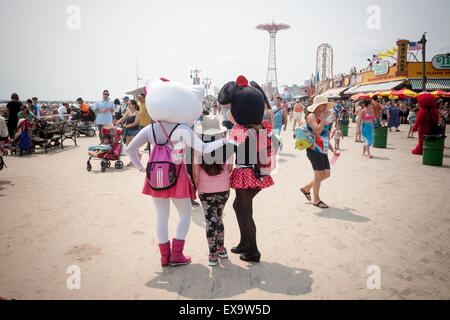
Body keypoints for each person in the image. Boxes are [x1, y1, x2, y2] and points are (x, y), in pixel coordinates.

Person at [126, 78, 235, 267]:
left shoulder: (149, 129)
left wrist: (142, 168)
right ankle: (177, 254)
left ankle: (164, 257)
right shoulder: (182, 129)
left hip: (155, 178)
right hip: (177, 177)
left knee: (161, 217)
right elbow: (203, 148)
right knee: (184, 215)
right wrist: (224, 142)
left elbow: (130, 150)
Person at [218, 75, 276, 263]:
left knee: (245, 210)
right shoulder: (261, 127)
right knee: (239, 207)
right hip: (258, 173)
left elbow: (228, 153)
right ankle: (245, 243)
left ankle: (253, 251)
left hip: (246, 174)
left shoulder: (240, 131)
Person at [193, 116, 232, 267]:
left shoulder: (198, 149)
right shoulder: (227, 147)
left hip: (205, 190)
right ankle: (222, 249)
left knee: (210, 221)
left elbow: (196, 174)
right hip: (223, 188)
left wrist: (199, 188)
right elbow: (229, 168)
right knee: (219, 218)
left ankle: (213, 255)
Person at [300, 95, 335, 209]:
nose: (326, 107)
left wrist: (331, 147)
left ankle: (307, 188)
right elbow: (318, 131)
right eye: (324, 105)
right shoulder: (311, 116)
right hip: (314, 149)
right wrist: (324, 118)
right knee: (319, 174)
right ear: (318, 106)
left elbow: (325, 135)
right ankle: (316, 200)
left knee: (326, 174)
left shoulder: (321, 116)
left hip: (323, 149)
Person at [115, 99, 142, 166]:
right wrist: (116, 123)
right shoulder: (128, 112)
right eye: (128, 104)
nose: (128, 105)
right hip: (128, 130)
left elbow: (135, 123)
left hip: (135, 131)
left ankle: (133, 161)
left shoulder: (138, 113)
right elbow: (122, 118)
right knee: (128, 147)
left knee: (133, 146)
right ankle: (139, 155)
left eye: (130, 104)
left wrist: (127, 126)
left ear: (134, 105)